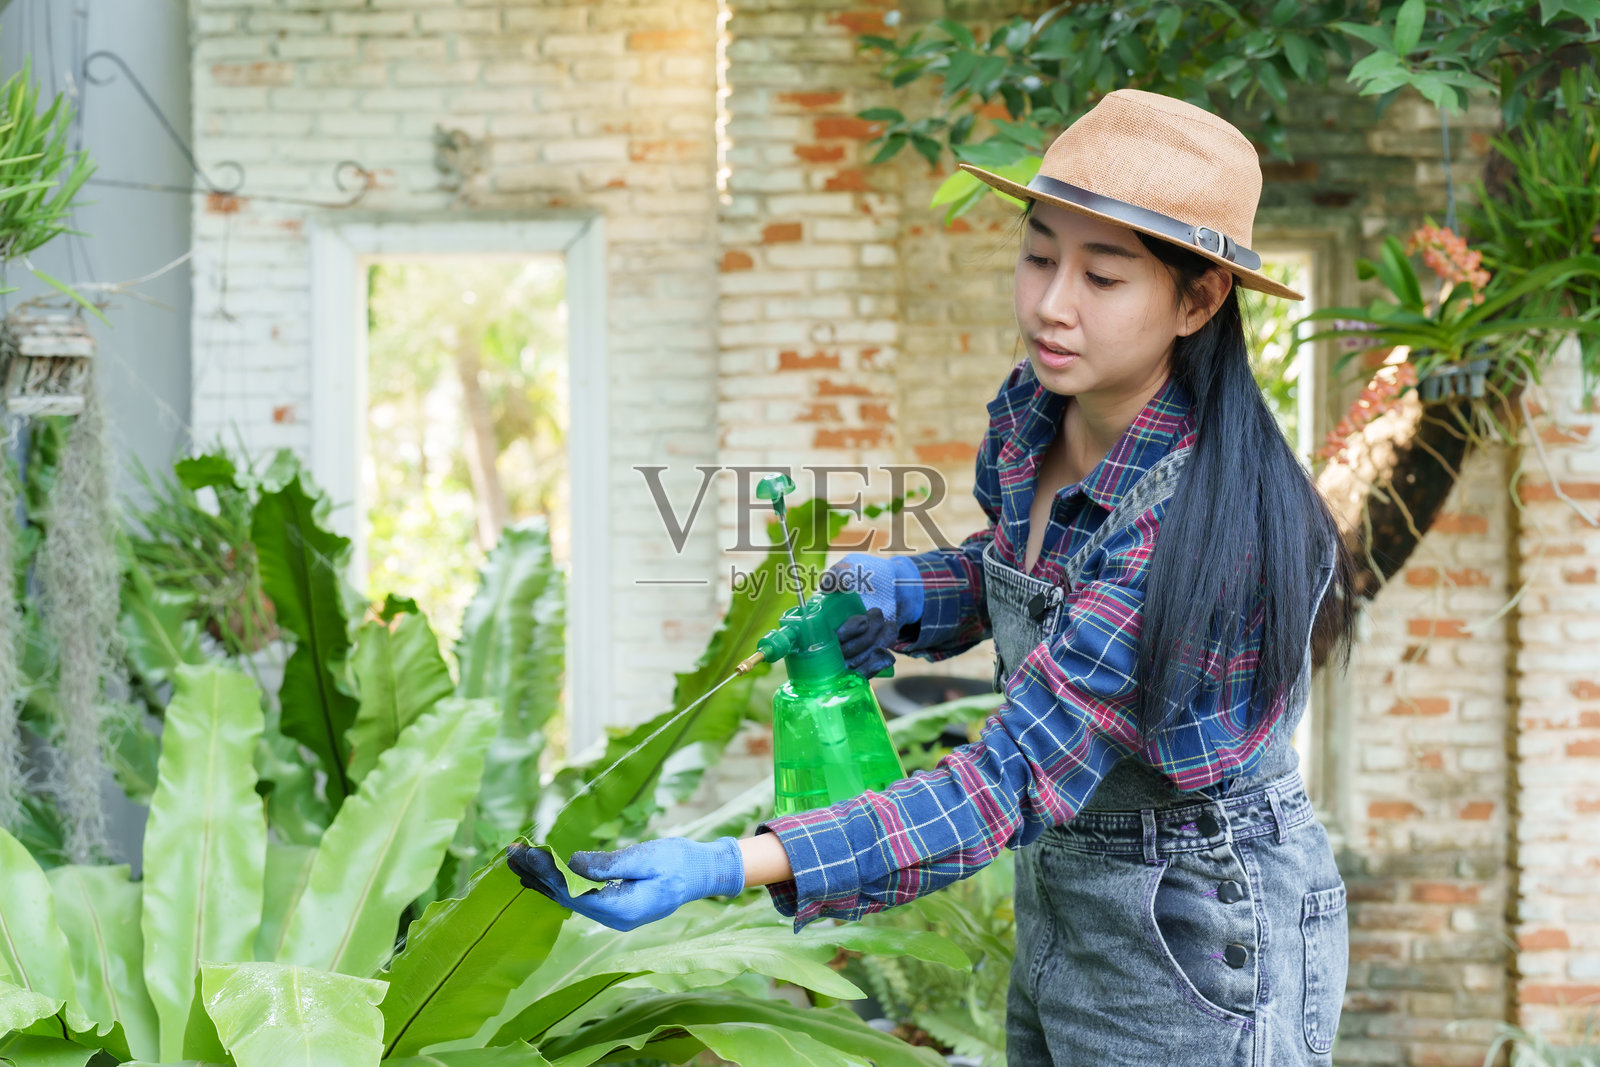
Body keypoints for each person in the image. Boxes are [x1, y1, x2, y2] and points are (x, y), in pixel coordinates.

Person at [507, 87, 1361, 1066]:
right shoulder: (1038, 412)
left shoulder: (1198, 527)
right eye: (1039, 254)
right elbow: (1021, 565)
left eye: (1103, 275)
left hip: (1202, 920)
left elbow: (1003, 782)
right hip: (1069, 880)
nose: (1051, 303)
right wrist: (907, 591)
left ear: (1197, 299)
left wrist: (724, 861)